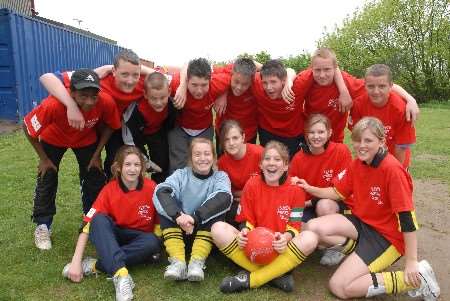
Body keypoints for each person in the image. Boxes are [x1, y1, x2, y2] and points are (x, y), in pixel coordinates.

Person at [298, 117, 440, 300]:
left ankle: (417, 278)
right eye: (357, 140)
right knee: (313, 227)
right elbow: (337, 192)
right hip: (363, 224)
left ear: (382, 142)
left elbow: (407, 218)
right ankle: (357, 251)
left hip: (386, 238)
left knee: (339, 287)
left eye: (368, 140)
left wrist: (411, 260)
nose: (361, 146)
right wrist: (309, 188)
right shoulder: (358, 163)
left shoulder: (392, 170)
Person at [23, 69, 121, 250]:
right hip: (53, 139)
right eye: (84, 96)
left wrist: (96, 154)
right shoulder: (52, 105)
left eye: (94, 96)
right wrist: (44, 159)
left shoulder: (105, 101)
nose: (90, 101)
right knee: (48, 175)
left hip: (85, 140)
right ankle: (43, 225)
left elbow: (111, 126)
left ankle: (92, 222)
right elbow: (27, 127)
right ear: (71, 92)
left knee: (94, 176)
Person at [211, 141, 318, 294]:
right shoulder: (252, 184)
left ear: (286, 165)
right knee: (218, 229)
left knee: (310, 237)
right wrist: (244, 233)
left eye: (277, 159)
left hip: (280, 250)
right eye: (267, 159)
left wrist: (286, 238)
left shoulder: (296, 190)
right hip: (253, 248)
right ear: (260, 165)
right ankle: (276, 276)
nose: (271, 163)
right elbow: (246, 220)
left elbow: (294, 227)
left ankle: (249, 280)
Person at [62, 146, 161, 301]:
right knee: (98, 219)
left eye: (137, 165)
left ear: (142, 168)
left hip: (140, 238)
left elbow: (158, 224)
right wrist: (75, 262)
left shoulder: (152, 188)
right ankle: (121, 276)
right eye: (127, 164)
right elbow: (87, 226)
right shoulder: (109, 190)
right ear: (118, 168)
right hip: (114, 235)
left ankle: (96, 265)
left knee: (153, 242)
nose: (132, 169)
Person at [39, 50, 155, 179]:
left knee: (115, 160)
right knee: (90, 168)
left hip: (115, 125)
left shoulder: (144, 83)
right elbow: (47, 77)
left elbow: (164, 76)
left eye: (135, 75)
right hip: (91, 125)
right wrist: (71, 106)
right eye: (124, 74)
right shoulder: (98, 79)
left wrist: (152, 72)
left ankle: (115, 191)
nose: (130, 81)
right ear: (114, 71)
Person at [291, 48, 420, 143]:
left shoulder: (347, 82)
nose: (322, 75)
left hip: (335, 140)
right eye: (318, 70)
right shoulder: (305, 80)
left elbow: (382, 85)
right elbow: (288, 78)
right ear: (311, 68)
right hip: (310, 137)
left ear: (336, 68)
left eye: (327, 70)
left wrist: (410, 99)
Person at [153, 138, 232, 282]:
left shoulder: (220, 176)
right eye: (197, 154)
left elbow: (224, 197)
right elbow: (161, 191)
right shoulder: (181, 174)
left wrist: (195, 218)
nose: (203, 158)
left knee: (217, 207)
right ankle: (178, 263)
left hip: (203, 231)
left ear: (214, 157)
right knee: (166, 204)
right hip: (179, 230)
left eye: (207, 154)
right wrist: (178, 215)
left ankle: (197, 262)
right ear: (190, 158)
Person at [289, 114, 352, 266]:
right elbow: (291, 188)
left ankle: (334, 247)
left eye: (321, 132)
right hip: (307, 206)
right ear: (306, 134)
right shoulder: (298, 158)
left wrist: (310, 200)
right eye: (312, 132)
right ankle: (327, 240)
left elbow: (340, 192)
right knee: (293, 226)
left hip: (335, 204)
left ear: (330, 133)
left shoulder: (341, 151)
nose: (316, 136)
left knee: (324, 204)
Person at [167, 58, 230, 173]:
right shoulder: (176, 83)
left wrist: (224, 93)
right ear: (187, 80)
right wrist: (182, 86)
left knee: (204, 163)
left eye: (204, 85)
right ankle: (177, 190)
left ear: (210, 80)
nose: (199, 90)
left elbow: (234, 74)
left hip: (204, 129)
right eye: (194, 85)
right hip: (180, 127)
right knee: (178, 166)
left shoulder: (218, 83)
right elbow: (154, 77)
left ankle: (204, 189)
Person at [349, 64, 416, 168]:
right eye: (371, 86)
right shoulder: (358, 105)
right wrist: (363, 163)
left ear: (390, 86)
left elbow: (401, 147)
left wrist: (395, 170)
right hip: (368, 160)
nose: (376, 91)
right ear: (365, 85)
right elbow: (358, 139)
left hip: (395, 161)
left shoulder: (402, 109)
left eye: (382, 86)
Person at [125, 72, 179, 183]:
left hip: (156, 132)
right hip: (136, 134)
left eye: (162, 98)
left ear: (169, 92)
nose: (159, 103)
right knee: (137, 161)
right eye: (154, 98)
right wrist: (144, 157)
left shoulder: (172, 105)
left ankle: (160, 186)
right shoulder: (137, 111)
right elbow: (133, 137)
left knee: (161, 161)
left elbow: (170, 124)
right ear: (145, 94)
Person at [251, 60, 307, 157]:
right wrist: (223, 94)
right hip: (267, 132)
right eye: (265, 83)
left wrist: (343, 90)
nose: (269, 87)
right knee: (270, 166)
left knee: (291, 168)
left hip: (292, 135)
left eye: (273, 82)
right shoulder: (257, 83)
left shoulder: (297, 86)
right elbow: (244, 63)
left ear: (283, 81)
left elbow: (324, 62)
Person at [217, 120, 264, 224]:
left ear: (243, 137)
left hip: (262, 200)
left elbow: (272, 184)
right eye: (226, 139)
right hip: (240, 203)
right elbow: (228, 192)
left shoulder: (259, 153)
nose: (231, 143)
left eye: (235, 138)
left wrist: (246, 193)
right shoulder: (222, 163)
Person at [214, 58, 259, 146]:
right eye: (236, 82)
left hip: (248, 133)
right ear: (231, 74)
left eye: (245, 84)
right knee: (223, 159)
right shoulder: (225, 73)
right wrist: (222, 91)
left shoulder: (258, 81)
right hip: (224, 133)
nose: (239, 87)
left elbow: (274, 70)